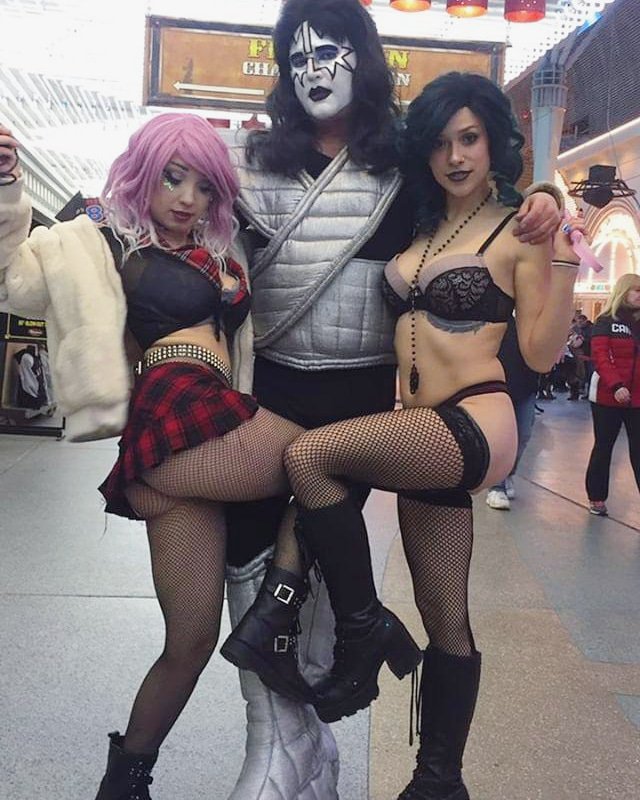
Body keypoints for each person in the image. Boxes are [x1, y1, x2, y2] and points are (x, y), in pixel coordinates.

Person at [221, 1, 564, 796]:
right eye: (441, 142)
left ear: (495, 142)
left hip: (472, 419)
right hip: (417, 427)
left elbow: (543, 350)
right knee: (447, 615)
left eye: (470, 139)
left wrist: (556, 217)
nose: (454, 155)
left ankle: (361, 627)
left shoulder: (515, 226)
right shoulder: (422, 218)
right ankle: (438, 779)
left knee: (313, 456)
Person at [0, 114, 311, 800]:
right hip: (174, 408)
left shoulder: (219, 247)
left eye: (204, 185)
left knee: (190, 642)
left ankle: (124, 783)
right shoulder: (102, 236)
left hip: (206, 428)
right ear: (145, 172)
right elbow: (14, 281)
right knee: (328, 456)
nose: (187, 199)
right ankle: (318, 618)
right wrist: (6, 186)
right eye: (173, 178)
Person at [585, 273, 640, 516]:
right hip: (607, 397)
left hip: (637, 398)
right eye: (636, 290)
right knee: (604, 446)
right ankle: (596, 496)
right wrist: (616, 385)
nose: (639, 295)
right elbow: (600, 356)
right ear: (623, 291)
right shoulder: (606, 321)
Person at [485, 314, 539, 510]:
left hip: (527, 383)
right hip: (497, 384)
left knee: (523, 434)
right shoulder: (498, 314)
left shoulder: (532, 318)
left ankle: (508, 473)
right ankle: (496, 485)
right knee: (501, 438)